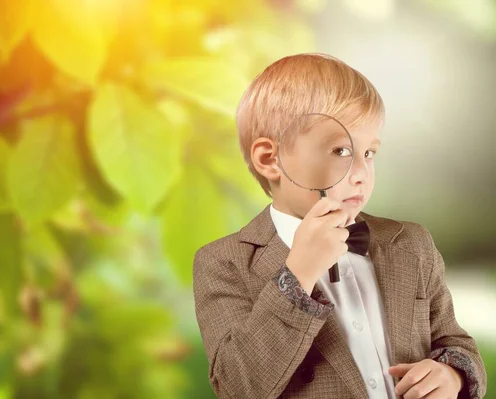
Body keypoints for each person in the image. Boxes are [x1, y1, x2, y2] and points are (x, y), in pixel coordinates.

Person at [192, 53, 487, 399]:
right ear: (271, 159)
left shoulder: (411, 243)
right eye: (341, 151)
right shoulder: (223, 263)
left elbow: (455, 342)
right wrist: (297, 277)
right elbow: (237, 387)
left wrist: (452, 375)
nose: (362, 174)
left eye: (369, 153)